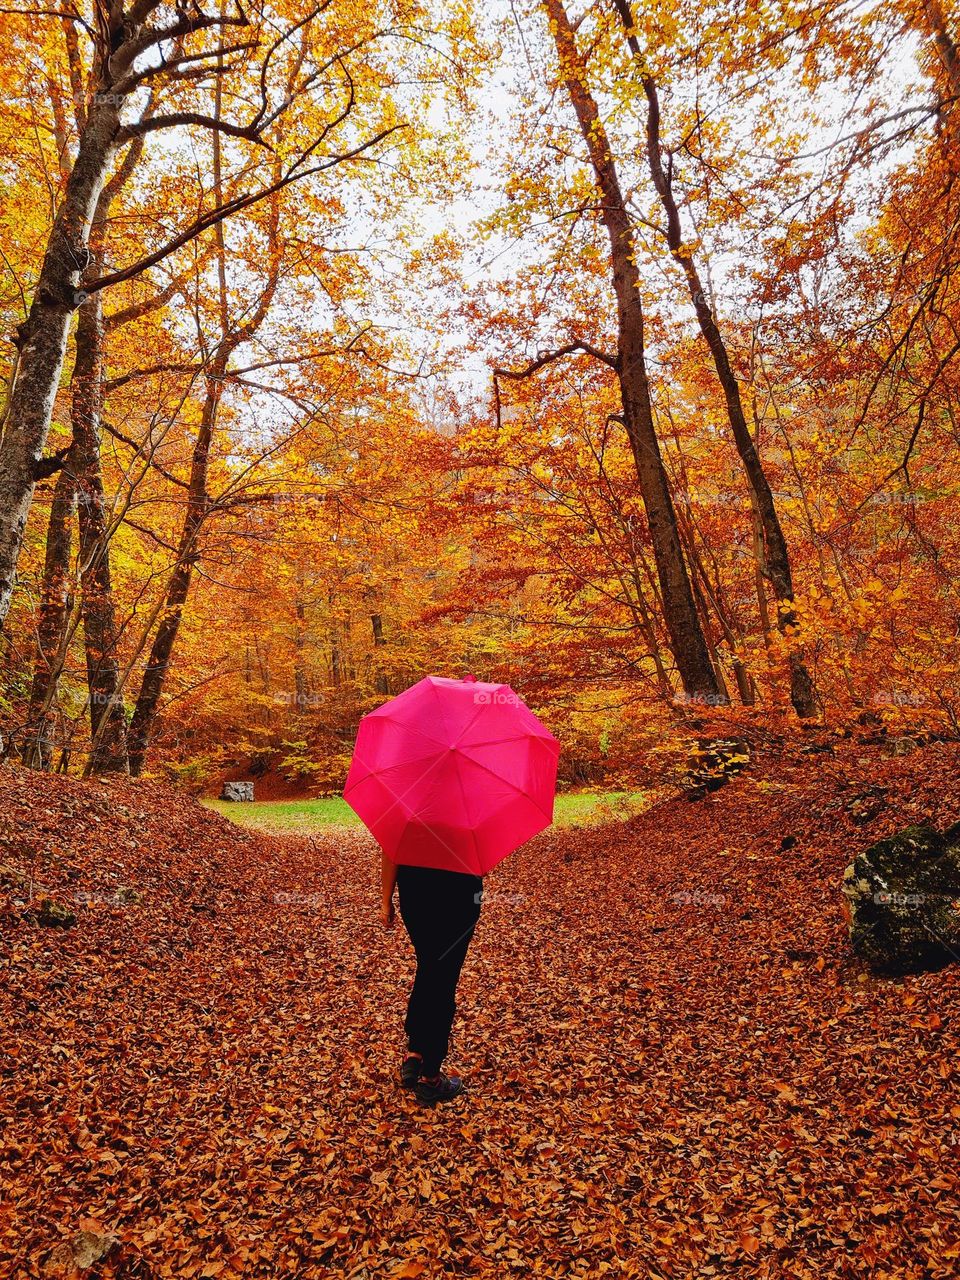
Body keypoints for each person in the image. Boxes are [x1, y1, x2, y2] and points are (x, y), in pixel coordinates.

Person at [381, 847, 482, 1104]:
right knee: (443, 979)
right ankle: (431, 1076)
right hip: (460, 894)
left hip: (416, 893)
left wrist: (386, 900)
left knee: (429, 968)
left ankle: (415, 1054)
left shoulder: (411, 807)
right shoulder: (470, 808)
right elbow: (483, 858)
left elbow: (392, 848)